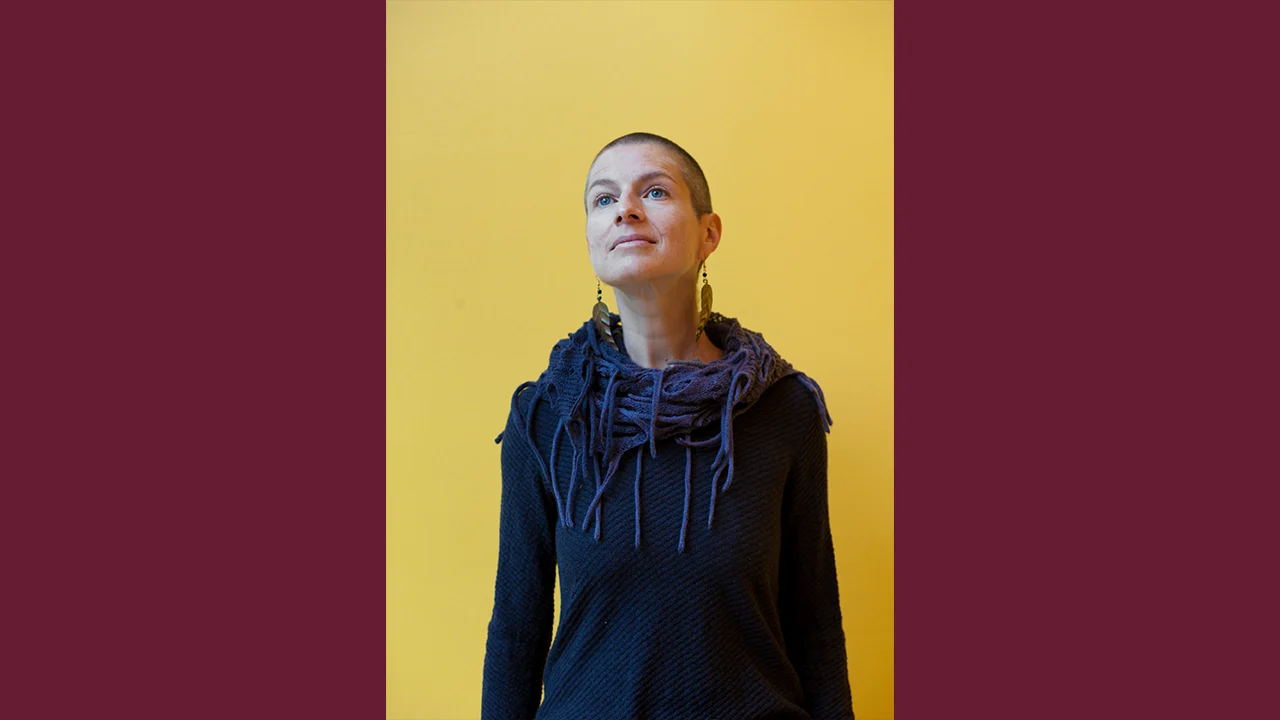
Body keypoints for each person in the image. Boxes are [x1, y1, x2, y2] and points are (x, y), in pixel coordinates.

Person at [481, 132, 855, 719]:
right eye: (603, 200)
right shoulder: (549, 416)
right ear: (591, 239)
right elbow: (516, 631)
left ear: (709, 234)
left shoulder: (784, 410)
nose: (625, 209)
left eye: (653, 191)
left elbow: (815, 624)